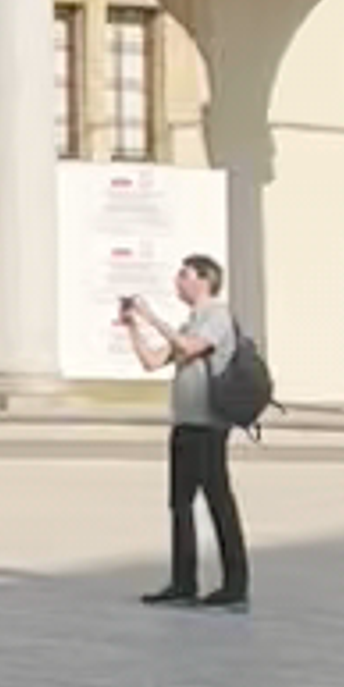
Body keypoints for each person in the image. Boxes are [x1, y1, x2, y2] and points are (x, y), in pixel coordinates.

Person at [122, 250, 251, 609]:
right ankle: (183, 581)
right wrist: (135, 327)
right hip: (185, 424)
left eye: (184, 275)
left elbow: (192, 348)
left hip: (210, 425)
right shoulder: (189, 321)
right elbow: (152, 361)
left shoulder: (216, 317)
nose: (177, 282)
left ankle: (235, 583)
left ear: (204, 280)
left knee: (219, 503)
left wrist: (153, 317)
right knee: (180, 505)